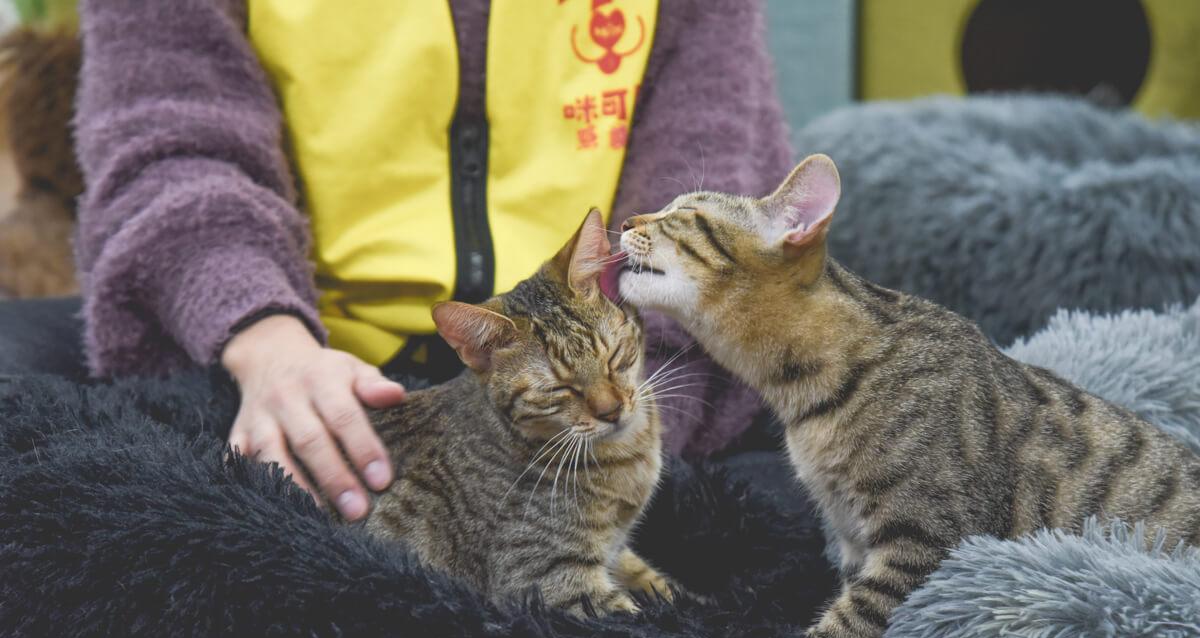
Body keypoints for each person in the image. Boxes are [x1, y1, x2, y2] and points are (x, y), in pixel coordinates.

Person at [44, 0, 792, 519]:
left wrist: (622, 414)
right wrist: (268, 346)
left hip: (621, 393)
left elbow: (706, 179)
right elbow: (168, 150)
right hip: (289, 369)